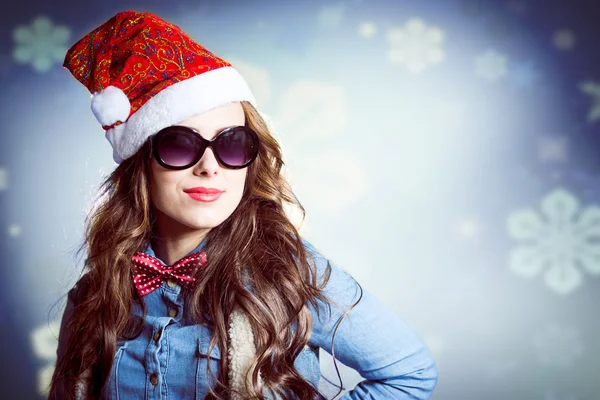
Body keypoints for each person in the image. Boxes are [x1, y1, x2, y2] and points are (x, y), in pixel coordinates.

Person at [48, 10, 439, 400]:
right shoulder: (95, 293)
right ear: (141, 164)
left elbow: (410, 374)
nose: (209, 166)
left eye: (231, 144)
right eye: (179, 144)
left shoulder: (290, 275)